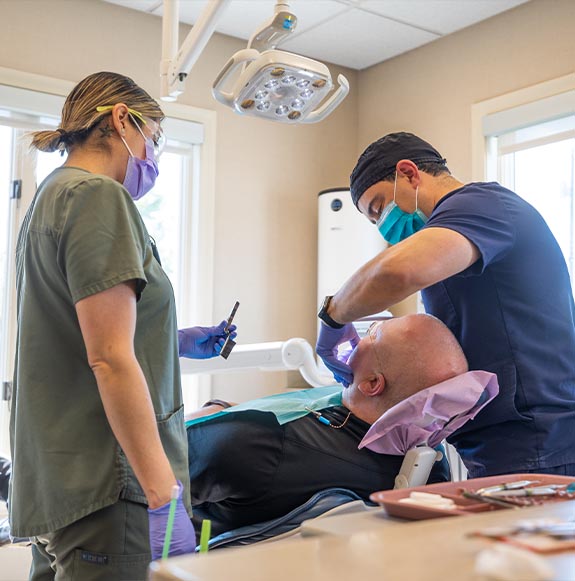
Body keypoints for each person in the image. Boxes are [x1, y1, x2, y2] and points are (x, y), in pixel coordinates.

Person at [9, 72, 235, 581]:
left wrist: (176, 340)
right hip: (111, 489)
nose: (153, 156)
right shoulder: (98, 197)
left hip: (60, 487)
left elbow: (72, 334)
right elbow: (108, 357)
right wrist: (162, 495)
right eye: (154, 138)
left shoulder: (50, 198)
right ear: (119, 118)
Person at [315, 131, 575, 479]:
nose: (383, 226)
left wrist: (333, 317)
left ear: (409, 174)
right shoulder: (451, 240)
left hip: (538, 440)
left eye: (379, 209)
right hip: (500, 444)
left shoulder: (482, 206)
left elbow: (397, 271)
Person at [185, 314, 468, 539]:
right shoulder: (429, 466)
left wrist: (217, 410)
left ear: (372, 384)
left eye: (371, 335)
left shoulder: (261, 442)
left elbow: (158, 457)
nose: (357, 337)